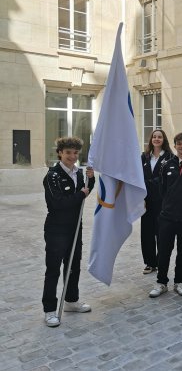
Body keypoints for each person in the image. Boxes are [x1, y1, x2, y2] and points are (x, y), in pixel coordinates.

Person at [42, 137, 95, 327]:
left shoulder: (78, 173)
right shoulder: (52, 176)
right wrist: (81, 194)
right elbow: (58, 204)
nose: (72, 157)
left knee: (73, 266)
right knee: (53, 270)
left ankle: (71, 301)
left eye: (75, 153)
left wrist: (91, 179)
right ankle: (49, 310)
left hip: (75, 227)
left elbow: (85, 191)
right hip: (57, 229)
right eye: (68, 153)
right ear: (60, 153)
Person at [149, 132, 182, 298]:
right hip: (167, 217)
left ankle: (179, 282)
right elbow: (161, 189)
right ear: (175, 145)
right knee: (164, 251)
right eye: (179, 143)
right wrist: (168, 205)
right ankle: (161, 282)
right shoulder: (167, 165)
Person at [141, 129, 173, 274]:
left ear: (164, 139)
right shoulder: (144, 156)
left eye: (159, 137)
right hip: (146, 201)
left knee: (162, 232)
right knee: (146, 232)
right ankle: (150, 262)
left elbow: (166, 179)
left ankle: (161, 262)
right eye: (154, 136)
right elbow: (137, 176)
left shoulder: (170, 157)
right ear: (151, 139)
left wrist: (147, 183)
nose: (157, 139)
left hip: (162, 201)